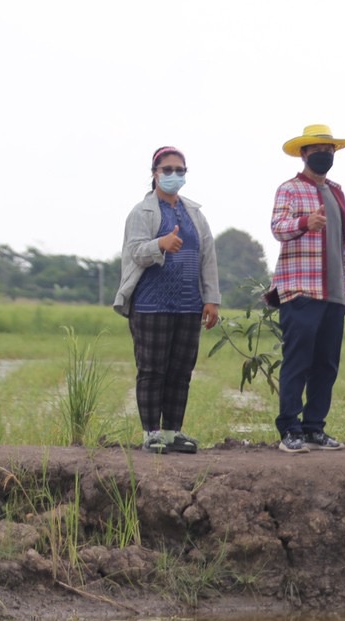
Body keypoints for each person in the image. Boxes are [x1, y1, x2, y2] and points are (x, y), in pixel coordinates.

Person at [113, 146, 221, 454]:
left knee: (180, 370)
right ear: (154, 174)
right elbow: (134, 251)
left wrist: (211, 298)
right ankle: (152, 433)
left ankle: (173, 432)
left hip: (189, 304)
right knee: (152, 369)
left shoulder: (195, 214)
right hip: (151, 303)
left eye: (180, 170)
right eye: (168, 170)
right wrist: (160, 243)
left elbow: (207, 257)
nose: (175, 175)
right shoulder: (142, 212)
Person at [270, 124, 345, 454]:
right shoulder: (290, 189)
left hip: (333, 294)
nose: (325, 155)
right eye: (318, 150)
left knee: (326, 364)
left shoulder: (337, 192)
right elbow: (278, 228)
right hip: (300, 290)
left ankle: (313, 428)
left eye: (330, 150)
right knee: (297, 361)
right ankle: (289, 429)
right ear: (304, 153)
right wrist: (306, 222)